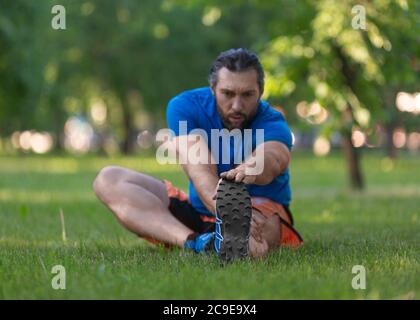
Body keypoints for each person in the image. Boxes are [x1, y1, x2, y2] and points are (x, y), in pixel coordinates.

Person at [93, 48, 303, 262]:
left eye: (247, 95)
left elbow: (274, 157)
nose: (237, 105)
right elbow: (199, 169)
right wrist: (226, 211)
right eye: (228, 94)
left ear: (260, 91)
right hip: (201, 209)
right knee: (108, 179)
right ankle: (197, 242)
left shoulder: (272, 121)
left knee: (248, 246)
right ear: (213, 89)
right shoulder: (186, 106)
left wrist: (248, 170)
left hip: (259, 210)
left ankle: (230, 237)